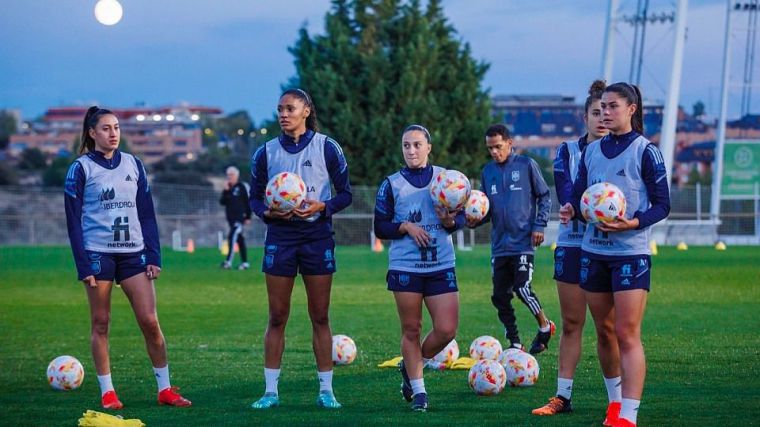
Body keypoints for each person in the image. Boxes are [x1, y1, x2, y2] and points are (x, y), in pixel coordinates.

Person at [64, 106, 191, 410]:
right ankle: (108, 392)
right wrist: (84, 265)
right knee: (101, 322)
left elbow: (146, 213)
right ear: (92, 133)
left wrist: (154, 255)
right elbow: (72, 221)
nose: (113, 134)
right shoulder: (81, 168)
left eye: (117, 128)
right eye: (106, 128)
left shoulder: (134, 165)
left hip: (134, 253)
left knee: (149, 321)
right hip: (99, 254)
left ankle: (165, 389)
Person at [559, 82, 670, 427]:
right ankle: (614, 404)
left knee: (626, 332)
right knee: (604, 331)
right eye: (602, 107)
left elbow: (664, 204)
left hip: (630, 253)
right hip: (593, 252)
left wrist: (633, 223)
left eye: (612, 107)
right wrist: (570, 209)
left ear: (631, 109)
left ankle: (629, 416)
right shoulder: (591, 152)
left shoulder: (645, 151)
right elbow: (578, 197)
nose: (605, 113)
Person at [248, 88, 352, 410]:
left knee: (319, 315)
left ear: (306, 110)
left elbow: (345, 194)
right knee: (277, 316)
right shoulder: (265, 152)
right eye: (279, 109)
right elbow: (254, 198)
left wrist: (323, 206)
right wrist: (268, 212)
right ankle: (270, 392)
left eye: (290, 108)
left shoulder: (327, 148)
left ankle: (326, 391)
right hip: (280, 237)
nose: (283, 114)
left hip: (316, 237)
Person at [533, 80, 621, 417]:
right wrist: (584, 208)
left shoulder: (621, 151)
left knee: (607, 328)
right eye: (595, 113)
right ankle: (562, 397)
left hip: (605, 245)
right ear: (584, 117)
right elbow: (567, 191)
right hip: (572, 243)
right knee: (572, 324)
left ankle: (615, 402)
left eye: (607, 111)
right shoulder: (567, 151)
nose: (602, 118)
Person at [374, 125, 464, 412]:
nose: (411, 150)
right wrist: (405, 226)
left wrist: (450, 222)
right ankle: (420, 391)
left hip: (440, 265)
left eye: (416, 145)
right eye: (406, 145)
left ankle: (410, 366)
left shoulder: (446, 180)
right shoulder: (391, 184)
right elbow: (380, 227)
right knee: (411, 330)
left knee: (447, 330)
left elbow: (461, 220)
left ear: (428, 147)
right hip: (406, 266)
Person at [467, 124, 555, 354]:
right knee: (499, 296)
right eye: (490, 148)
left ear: (509, 143)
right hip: (499, 246)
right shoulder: (488, 172)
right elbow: (487, 209)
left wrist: (539, 225)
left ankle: (545, 326)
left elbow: (544, 196)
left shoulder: (526, 165)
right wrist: (476, 219)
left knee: (523, 288)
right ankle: (515, 341)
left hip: (523, 242)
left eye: (498, 146)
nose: (494, 152)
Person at [219, 165, 252, 270]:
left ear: (236, 175)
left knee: (232, 237)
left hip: (239, 219)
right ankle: (245, 263)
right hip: (231, 219)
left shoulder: (241, 187)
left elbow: (248, 202)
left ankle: (228, 262)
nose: (229, 177)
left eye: (231, 175)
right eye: (228, 175)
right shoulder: (228, 188)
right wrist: (226, 191)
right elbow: (222, 202)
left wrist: (248, 216)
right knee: (240, 240)